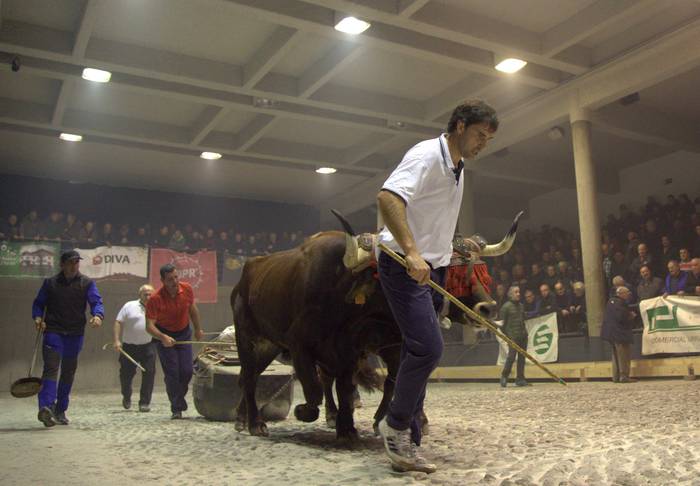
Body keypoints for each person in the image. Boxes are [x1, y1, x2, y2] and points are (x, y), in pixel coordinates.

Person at [375, 100, 498, 473]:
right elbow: (388, 197)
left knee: (419, 352)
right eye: (480, 135)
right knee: (429, 348)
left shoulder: (458, 167)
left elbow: (433, 217)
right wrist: (412, 252)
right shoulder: (427, 154)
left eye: (488, 139)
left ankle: (407, 443)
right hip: (403, 265)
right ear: (459, 126)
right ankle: (394, 425)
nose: (482, 144)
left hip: (436, 269)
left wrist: (451, 249)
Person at [31, 250, 104, 426]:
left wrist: (98, 315)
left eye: (76, 262)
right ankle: (46, 408)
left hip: (75, 334)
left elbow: (96, 302)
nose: (74, 266)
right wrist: (38, 317)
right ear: (62, 264)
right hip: (53, 332)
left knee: (68, 373)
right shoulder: (50, 284)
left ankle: (61, 410)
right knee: (51, 369)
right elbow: (39, 304)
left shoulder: (87, 283)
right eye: (70, 262)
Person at [146, 264, 204, 419]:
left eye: (176, 277)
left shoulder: (187, 289)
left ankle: (178, 398)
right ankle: (176, 407)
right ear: (163, 281)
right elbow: (149, 326)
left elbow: (192, 309)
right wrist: (163, 337)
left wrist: (198, 329)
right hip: (164, 336)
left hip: (184, 334)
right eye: (170, 279)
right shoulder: (155, 299)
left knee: (186, 371)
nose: (174, 281)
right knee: (172, 372)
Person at [114, 284, 157, 412]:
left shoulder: (157, 307)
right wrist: (117, 340)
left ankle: (144, 402)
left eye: (150, 294)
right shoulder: (129, 306)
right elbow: (118, 322)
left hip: (148, 346)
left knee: (149, 373)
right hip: (129, 347)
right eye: (145, 294)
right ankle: (126, 395)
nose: (148, 296)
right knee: (125, 376)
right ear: (140, 295)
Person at [601, 287, 637, 383]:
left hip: (611, 333)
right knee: (624, 355)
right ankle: (624, 376)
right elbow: (621, 317)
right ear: (621, 293)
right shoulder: (620, 303)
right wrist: (631, 316)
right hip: (620, 333)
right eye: (627, 293)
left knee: (615, 355)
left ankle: (615, 377)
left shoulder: (610, 301)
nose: (628, 294)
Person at [499, 287, 528, 388]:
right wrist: (508, 336)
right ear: (510, 294)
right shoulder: (505, 307)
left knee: (522, 358)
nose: (518, 294)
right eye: (516, 292)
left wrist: (525, 333)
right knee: (511, 357)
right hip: (512, 337)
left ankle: (520, 379)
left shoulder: (521, 306)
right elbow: (502, 325)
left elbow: (523, 320)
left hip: (523, 336)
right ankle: (504, 376)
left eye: (519, 292)